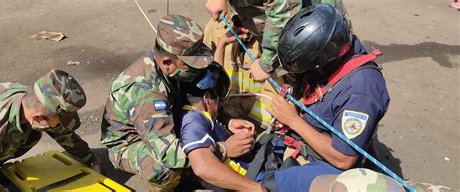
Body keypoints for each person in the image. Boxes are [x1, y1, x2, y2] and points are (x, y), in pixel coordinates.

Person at [100, 14, 254, 191]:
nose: (197, 68)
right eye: (191, 64)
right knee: (166, 169)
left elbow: (193, 100)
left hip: (160, 123)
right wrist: (223, 149)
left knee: (196, 135)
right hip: (128, 142)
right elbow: (167, 153)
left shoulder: (172, 67)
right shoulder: (145, 91)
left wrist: (227, 121)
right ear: (167, 62)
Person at [247, 4, 390, 191]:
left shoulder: (360, 91)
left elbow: (343, 158)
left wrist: (293, 120)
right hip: (302, 140)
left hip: (327, 163)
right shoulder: (334, 56)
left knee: (259, 186)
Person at [204, 0, 353, 131]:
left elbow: (285, 12)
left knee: (322, 98)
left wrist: (267, 63)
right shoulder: (219, 28)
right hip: (274, 31)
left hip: (312, 34)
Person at [0, 69, 99, 191]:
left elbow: (62, 134)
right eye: (59, 122)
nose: (58, 127)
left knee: (32, 134)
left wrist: (91, 160)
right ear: (37, 117)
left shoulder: (33, 98)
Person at [177, 64, 265, 191]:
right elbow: (203, 167)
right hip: (252, 177)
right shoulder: (193, 122)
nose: (219, 108)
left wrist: (228, 122)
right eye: (219, 101)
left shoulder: (197, 114)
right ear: (207, 98)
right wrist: (253, 188)